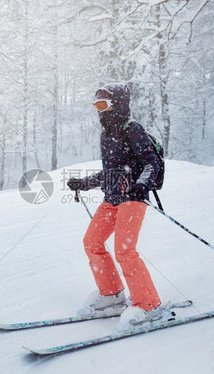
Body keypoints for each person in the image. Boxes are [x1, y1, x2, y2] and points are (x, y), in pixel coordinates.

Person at [67, 83, 163, 330]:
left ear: (118, 105)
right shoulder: (106, 135)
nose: (100, 111)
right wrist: (84, 183)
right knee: (92, 243)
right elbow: (110, 172)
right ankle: (112, 294)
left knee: (124, 251)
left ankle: (148, 305)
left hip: (133, 196)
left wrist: (142, 184)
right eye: (96, 106)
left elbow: (151, 162)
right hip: (112, 198)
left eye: (104, 105)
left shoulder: (132, 129)